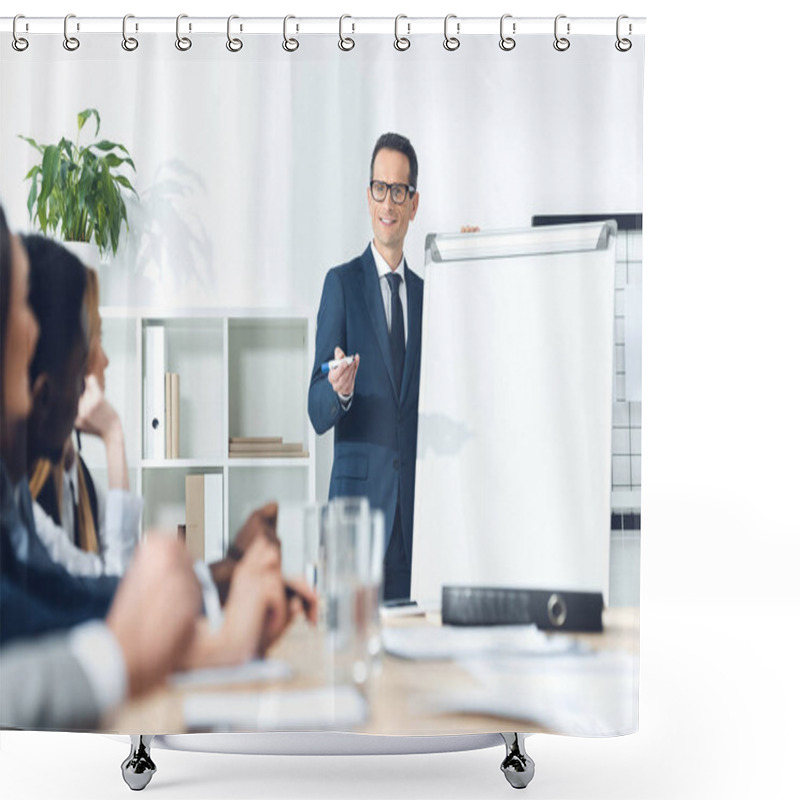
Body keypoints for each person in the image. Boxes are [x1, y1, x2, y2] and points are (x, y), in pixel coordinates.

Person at [1, 216, 316, 728]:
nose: (96, 363)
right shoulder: (27, 484)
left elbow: (56, 596)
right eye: (18, 310)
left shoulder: (22, 487)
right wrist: (168, 641)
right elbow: (36, 614)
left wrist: (210, 591)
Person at [308, 133, 423, 601]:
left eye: (399, 190)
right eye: (380, 188)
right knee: (346, 658)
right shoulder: (341, 284)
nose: (388, 202)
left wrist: (467, 264)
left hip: (413, 523)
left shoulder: (427, 293)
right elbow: (316, 411)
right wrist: (338, 390)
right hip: (356, 518)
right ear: (368, 196)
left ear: (414, 204)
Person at [28, 265, 140, 576]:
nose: (106, 359)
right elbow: (117, 588)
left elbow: (127, 573)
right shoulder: (25, 499)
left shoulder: (77, 477)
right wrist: (114, 436)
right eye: (98, 338)